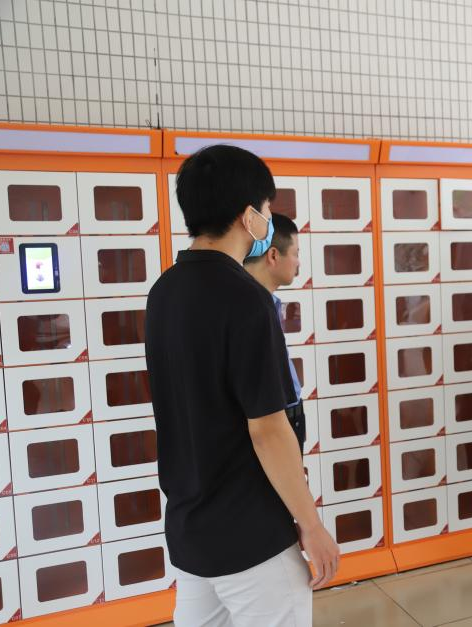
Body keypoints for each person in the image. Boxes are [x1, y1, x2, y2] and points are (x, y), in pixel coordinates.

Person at [145, 145, 338, 626]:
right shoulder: (246, 299)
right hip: (252, 538)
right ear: (248, 216)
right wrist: (311, 525)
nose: (269, 220)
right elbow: (267, 429)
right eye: (267, 209)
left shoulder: (164, 291)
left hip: (192, 533)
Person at [243, 213, 307, 453]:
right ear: (273, 255)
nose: (298, 263)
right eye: (296, 253)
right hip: (275, 432)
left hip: (287, 421)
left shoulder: (266, 304)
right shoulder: (251, 310)